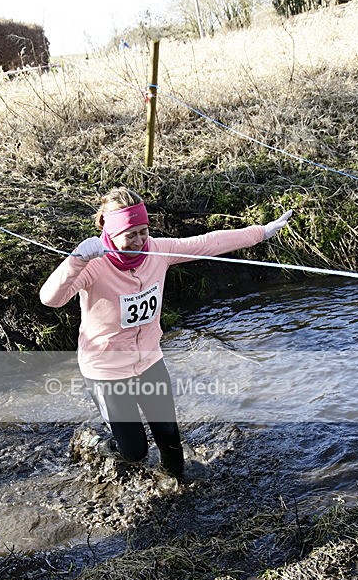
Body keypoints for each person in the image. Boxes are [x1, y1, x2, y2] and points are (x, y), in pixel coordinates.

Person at [40, 186, 292, 479]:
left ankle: (175, 488)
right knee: (134, 452)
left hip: (148, 360)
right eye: (130, 235)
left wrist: (260, 232)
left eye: (143, 231)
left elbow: (206, 243)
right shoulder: (94, 264)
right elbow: (51, 299)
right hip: (106, 370)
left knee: (170, 438)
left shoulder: (157, 251)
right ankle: (94, 442)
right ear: (109, 231)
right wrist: (76, 259)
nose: (139, 241)